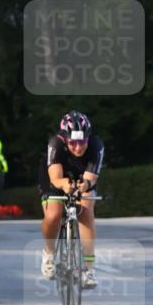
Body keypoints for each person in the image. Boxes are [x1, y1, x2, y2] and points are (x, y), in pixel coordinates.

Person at [38, 111, 104, 288]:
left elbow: (90, 178)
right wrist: (65, 185)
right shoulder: (56, 144)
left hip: (83, 176)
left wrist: (83, 186)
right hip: (56, 176)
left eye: (82, 142)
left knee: (86, 211)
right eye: (73, 142)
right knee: (54, 214)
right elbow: (55, 179)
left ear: (88, 138)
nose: (78, 147)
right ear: (65, 138)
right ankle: (49, 253)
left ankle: (89, 271)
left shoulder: (96, 146)